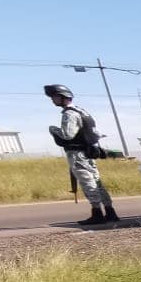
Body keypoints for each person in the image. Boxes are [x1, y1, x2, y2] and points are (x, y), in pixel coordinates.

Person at [44, 84, 119, 226]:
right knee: (97, 182)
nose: (53, 100)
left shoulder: (69, 114)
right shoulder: (82, 111)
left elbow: (67, 135)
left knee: (88, 183)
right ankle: (110, 212)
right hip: (89, 152)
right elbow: (94, 132)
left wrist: (53, 130)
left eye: (54, 97)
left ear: (62, 97)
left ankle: (97, 213)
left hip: (78, 154)